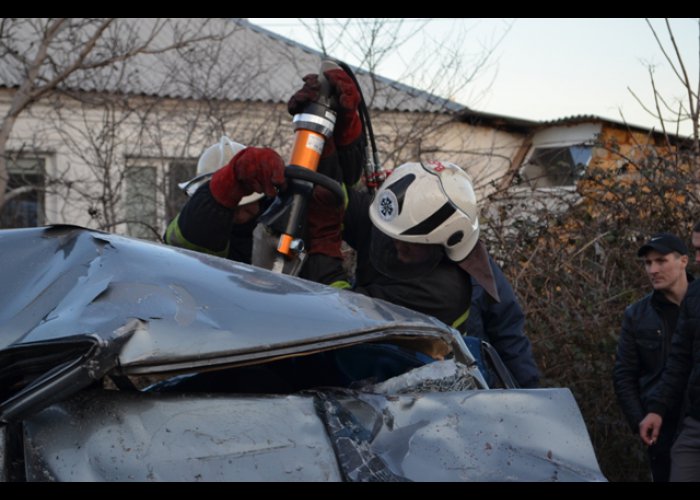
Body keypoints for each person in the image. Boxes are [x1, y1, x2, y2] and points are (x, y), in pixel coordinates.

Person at [613, 232, 692, 482]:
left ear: (683, 261)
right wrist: (641, 420)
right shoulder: (637, 315)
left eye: (661, 261)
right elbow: (624, 374)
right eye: (648, 263)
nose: (653, 269)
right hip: (661, 427)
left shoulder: (697, 304)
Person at [639, 225, 700, 482]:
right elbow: (680, 359)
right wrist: (657, 409)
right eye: (697, 249)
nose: (698, 258)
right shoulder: (695, 296)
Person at [466, 256, 540, 388]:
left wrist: (530, 392)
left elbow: (507, 334)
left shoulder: (474, 261)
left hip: (477, 391)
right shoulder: (476, 263)